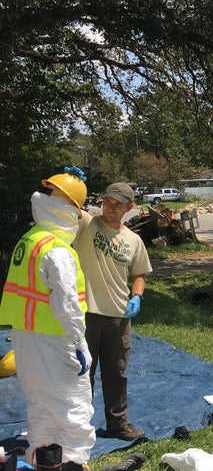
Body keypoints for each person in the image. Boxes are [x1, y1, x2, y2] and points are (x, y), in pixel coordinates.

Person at [0, 169, 95, 470]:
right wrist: (80, 341)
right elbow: (67, 305)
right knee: (73, 406)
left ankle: (45, 460)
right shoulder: (57, 249)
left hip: (25, 338)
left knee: (40, 405)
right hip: (56, 340)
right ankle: (73, 463)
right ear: (71, 210)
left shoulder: (29, 239)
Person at [73, 182, 152, 441]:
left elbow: (139, 274)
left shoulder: (134, 240)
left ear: (129, 208)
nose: (111, 208)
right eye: (107, 202)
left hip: (119, 316)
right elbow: (65, 205)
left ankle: (118, 425)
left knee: (116, 373)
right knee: (83, 373)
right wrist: (69, 182)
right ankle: (77, 428)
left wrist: (137, 296)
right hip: (87, 313)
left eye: (118, 204)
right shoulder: (87, 224)